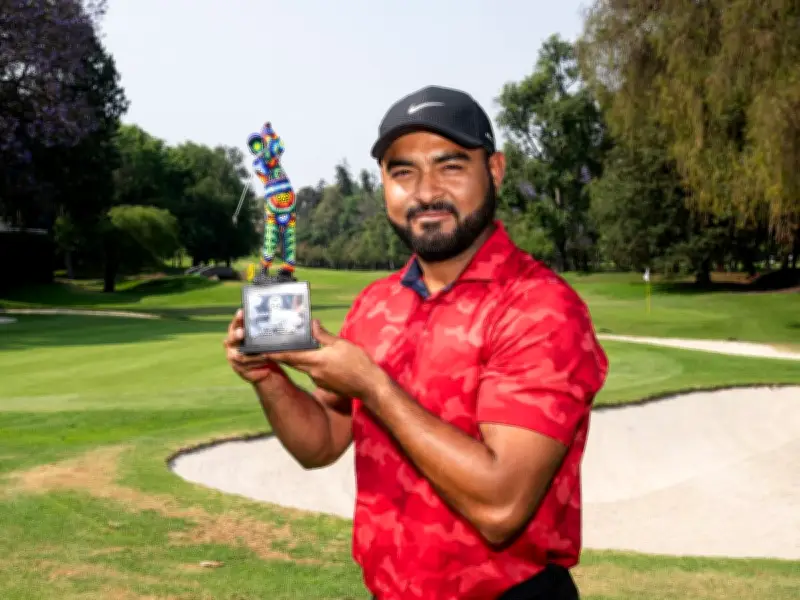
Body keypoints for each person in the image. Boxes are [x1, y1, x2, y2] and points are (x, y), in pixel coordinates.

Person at [224, 85, 609, 600]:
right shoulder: (375, 305)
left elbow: (502, 508)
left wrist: (374, 387)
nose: (425, 191)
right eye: (402, 171)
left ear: (494, 171)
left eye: (450, 166)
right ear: (384, 183)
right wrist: (267, 378)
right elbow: (320, 444)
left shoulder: (540, 308)